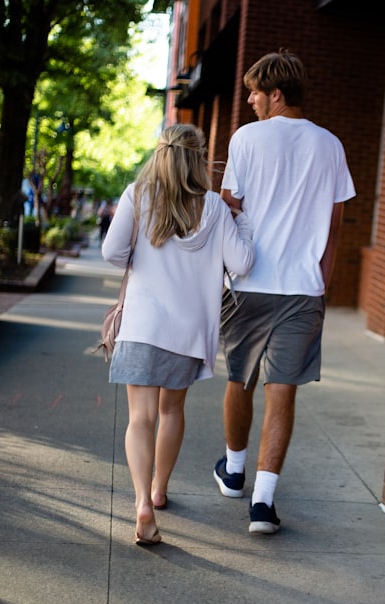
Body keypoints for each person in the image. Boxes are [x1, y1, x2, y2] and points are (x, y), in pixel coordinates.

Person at [213, 50, 355, 534]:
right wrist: (322, 287)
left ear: (277, 93)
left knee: (240, 379)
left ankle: (234, 472)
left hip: (250, 283)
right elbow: (335, 226)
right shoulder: (331, 145)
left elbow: (230, 207)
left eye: (255, 91)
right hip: (302, 290)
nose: (250, 99)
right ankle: (263, 505)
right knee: (283, 392)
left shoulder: (246, 140)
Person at [102, 124, 255, 546]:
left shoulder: (139, 194)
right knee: (170, 412)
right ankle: (158, 489)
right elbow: (241, 264)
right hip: (188, 333)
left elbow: (111, 252)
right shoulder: (215, 209)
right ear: (199, 158)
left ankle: (141, 504)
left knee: (140, 418)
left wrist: (142, 260)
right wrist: (244, 226)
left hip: (143, 326)